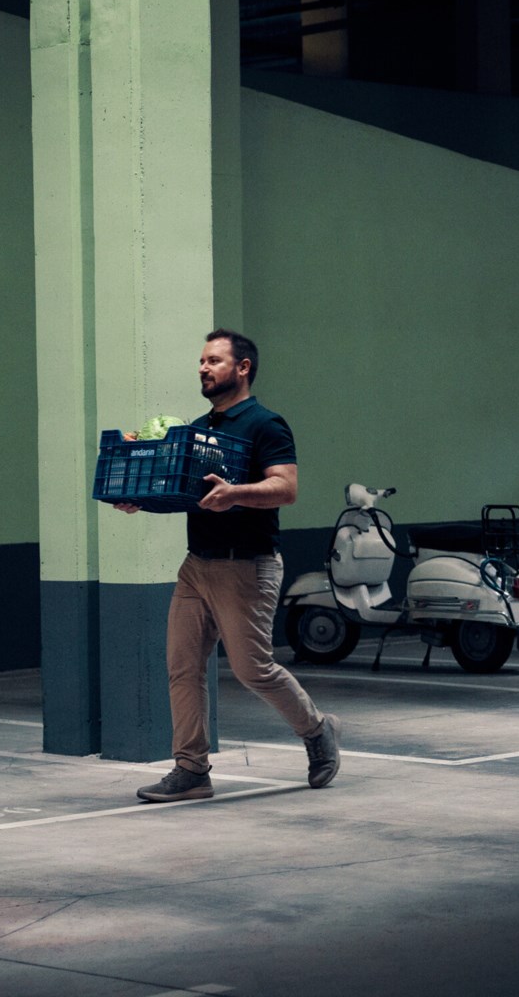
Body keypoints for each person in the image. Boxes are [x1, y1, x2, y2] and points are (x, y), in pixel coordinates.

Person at [117, 329, 342, 802]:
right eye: (201, 360)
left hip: (248, 567)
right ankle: (191, 770)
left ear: (242, 368)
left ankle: (319, 731)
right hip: (197, 566)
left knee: (253, 669)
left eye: (214, 360)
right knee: (182, 668)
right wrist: (140, 497)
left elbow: (286, 488)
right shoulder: (198, 429)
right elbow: (183, 490)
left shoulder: (266, 425)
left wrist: (236, 494)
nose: (203, 367)